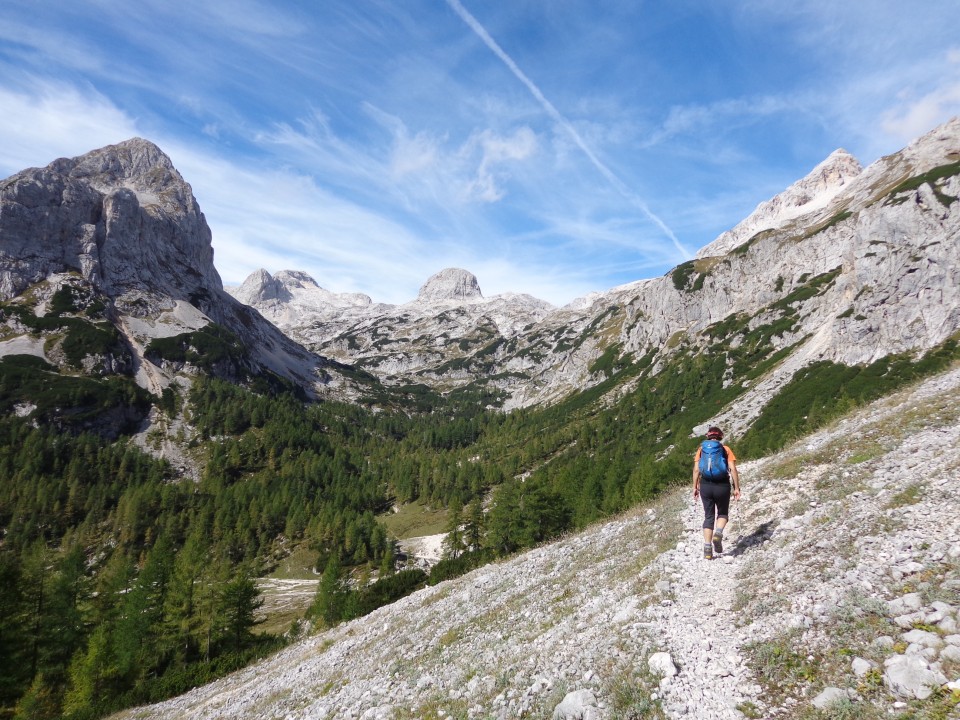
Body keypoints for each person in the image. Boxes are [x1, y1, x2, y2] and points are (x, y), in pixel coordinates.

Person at [692, 426, 741, 559]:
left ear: (708, 437)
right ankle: (718, 533)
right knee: (723, 513)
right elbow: (732, 469)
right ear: (720, 437)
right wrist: (737, 488)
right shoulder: (725, 449)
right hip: (722, 485)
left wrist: (695, 487)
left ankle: (707, 549)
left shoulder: (701, 449)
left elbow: (696, 470)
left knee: (708, 517)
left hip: (706, 485)